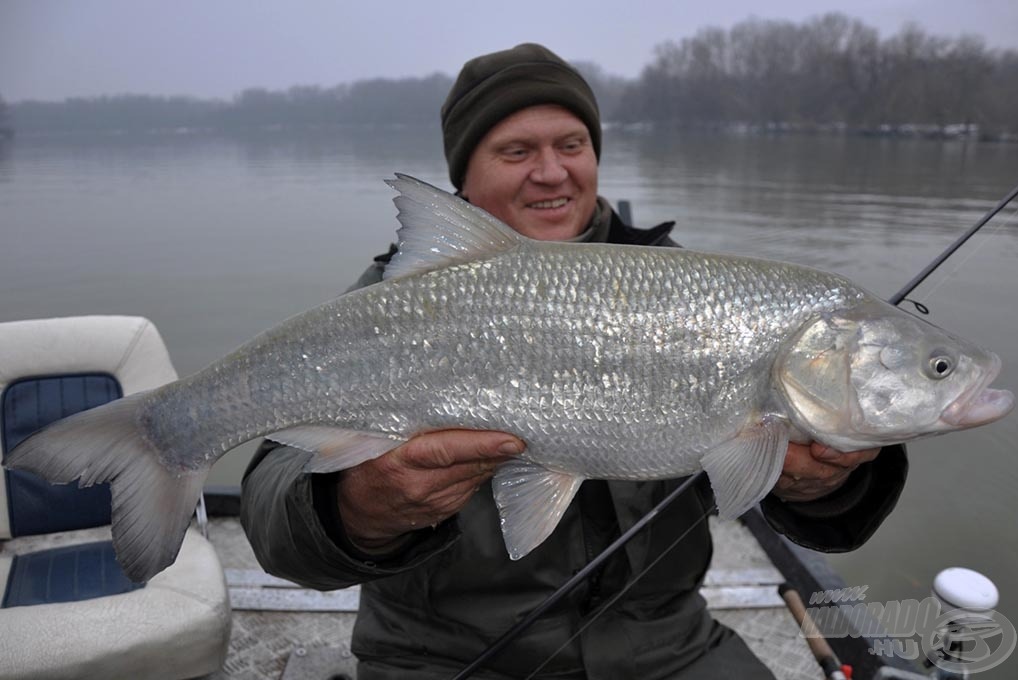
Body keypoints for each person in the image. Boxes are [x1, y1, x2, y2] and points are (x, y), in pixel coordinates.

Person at [241, 43, 908, 679]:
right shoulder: (395, 305)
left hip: (667, 644)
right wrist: (353, 508)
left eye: (571, 145)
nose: (553, 171)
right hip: (442, 657)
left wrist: (830, 486)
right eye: (516, 151)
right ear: (463, 180)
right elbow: (272, 514)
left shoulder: (700, 297)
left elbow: (781, 493)